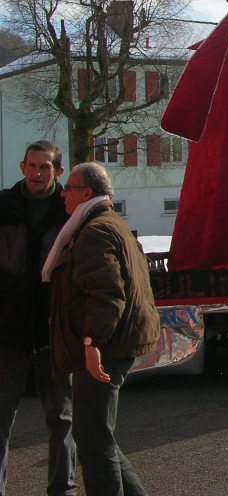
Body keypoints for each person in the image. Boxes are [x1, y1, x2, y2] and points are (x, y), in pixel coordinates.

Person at [45, 162, 159, 496]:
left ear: (87, 193)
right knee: (95, 436)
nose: (63, 194)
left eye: (69, 187)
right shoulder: (107, 223)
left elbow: (108, 293)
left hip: (106, 346)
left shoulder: (95, 230)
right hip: (113, 343)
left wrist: (93, 343)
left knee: (94, 440)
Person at [0, 141, 76, 496]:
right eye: (32, 165)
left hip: (54, 332)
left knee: (60, 421)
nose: (37, 172)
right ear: (22, 167)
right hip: (7, 332)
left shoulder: (69, 211)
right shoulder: (2, 206)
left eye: (45, 167)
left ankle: (62, 490)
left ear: (58, 171)